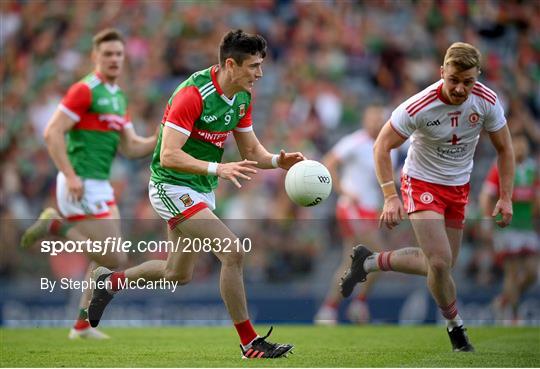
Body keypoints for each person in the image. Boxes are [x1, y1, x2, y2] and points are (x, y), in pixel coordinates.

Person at [87, 29, 303, 359]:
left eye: (261, 66)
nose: (260, 74)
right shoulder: (193, 94)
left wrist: (277, 161)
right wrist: (218, 169)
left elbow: (251, 150)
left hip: (199, 187)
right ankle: (249, 343)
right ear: (231, 64)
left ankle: (109, 283)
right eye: (254, 66)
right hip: (170, 184)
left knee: (178, 273)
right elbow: (168, 155)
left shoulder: (242, 96)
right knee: (233, 251)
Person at [340, 42, 515, 352]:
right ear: (441, 73)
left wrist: (506, 196)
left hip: (458, 188)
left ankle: (368, 262)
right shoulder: (418, 106)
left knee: (443, 268)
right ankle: (457, 328)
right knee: (439, 260)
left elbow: (505, 149)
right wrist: (390, 196)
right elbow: (381, 146)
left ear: (477, 77)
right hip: (421, 182)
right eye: (454, 80)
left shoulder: (487, 102)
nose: (461, 89)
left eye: (468, 82)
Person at [20, 28, 157, 339]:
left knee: (102, 259)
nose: (113, 59)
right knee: (116, 258)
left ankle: (81, 325)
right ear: (95, 57)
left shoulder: (119, 96)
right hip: (79, 182)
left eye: (118, 54)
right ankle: (55, 225)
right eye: (107, 54)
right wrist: (69, 175)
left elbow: (132, 147)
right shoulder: (84, 90)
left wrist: (165, 137)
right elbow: (52, 133)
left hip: (102, 186)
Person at [314, 105, 392, 325]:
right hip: (352, 207)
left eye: (379, 118)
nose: (376, 122)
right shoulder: (354, 141)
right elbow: (328, 162)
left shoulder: (387, 146)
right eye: (372, 118)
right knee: (379, 253)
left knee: (351, 262)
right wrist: (343, 189)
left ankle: (329, 309)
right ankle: (358, 303)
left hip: (370, 210)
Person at [479, 134, 539, 324]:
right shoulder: (500, 167)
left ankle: (504, 301)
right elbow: (485, 196)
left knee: (531, 273)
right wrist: (487, 222)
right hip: (507, 227)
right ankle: (513, 316)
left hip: (527, 227)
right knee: (511, 272)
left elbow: (536, 197)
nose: (521, 147)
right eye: (518, 143)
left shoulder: (532, 169)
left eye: (524, 143)